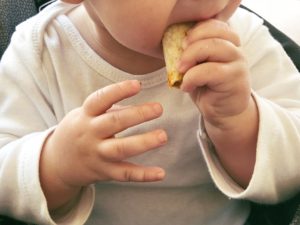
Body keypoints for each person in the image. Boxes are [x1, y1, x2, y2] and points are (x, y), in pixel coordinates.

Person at [0, 0, 300, 224]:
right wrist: (53, 165)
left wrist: (240, 122)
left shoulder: (243, 42)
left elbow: (294, 166)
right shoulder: (39, 53)